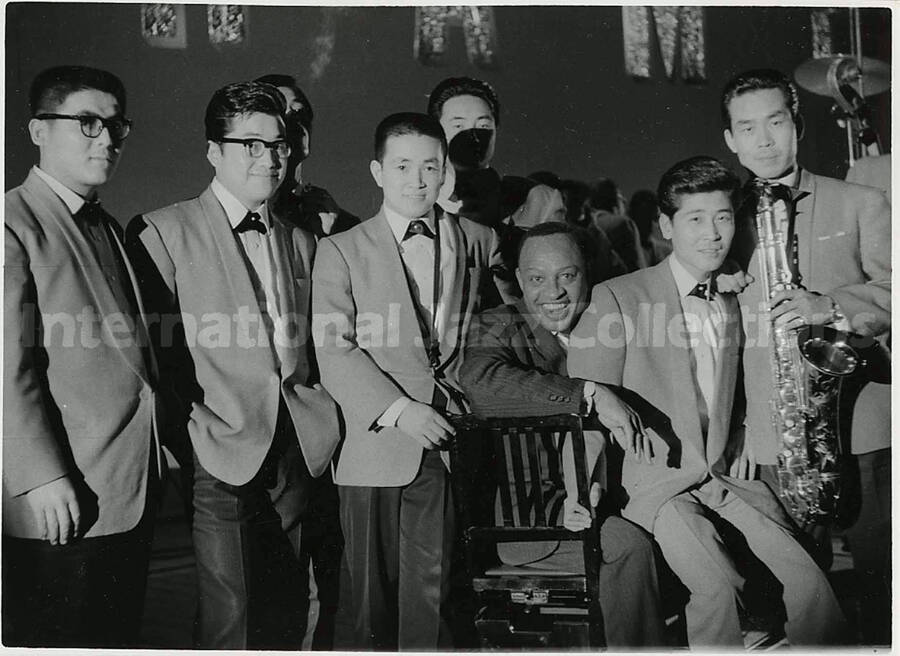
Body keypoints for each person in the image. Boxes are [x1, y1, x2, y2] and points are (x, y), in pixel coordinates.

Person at [568, 156, 846, 647]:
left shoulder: (736, 294)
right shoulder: (617, 297)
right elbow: (586, 412)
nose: (713, 233)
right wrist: (580, 492)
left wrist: (739, 435)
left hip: (722, 475)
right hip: (658, 486)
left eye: (723, 218)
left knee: (809, 580)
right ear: (666, 226)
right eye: (696, 219)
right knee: (717, 586)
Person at [126, 81, 340, 649]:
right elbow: (153, 353)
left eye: (278, 145)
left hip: (298, 447)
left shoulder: (302, 238)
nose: (269, 158)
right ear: (213, 150)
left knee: (289, 600)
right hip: (216, 442)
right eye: (250, 144)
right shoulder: (161, 231)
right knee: (231, 612)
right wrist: (188, 430)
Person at [311, 112, 504, 650]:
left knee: (435, 593)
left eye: (430, 167)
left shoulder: (478, 241)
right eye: (402, 166)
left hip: (448, 439)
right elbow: (333, 346)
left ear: (446, 173)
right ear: (377, 172)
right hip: (375, 444)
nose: (418, 180)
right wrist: (400, 410)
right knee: (370, 599)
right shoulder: (341, 250)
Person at [721, 68, 891, 644]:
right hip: (773, 435)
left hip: (862, 425)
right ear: (730, 140)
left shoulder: (862, 201)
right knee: (803, 591)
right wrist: (740, 423)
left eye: (775, 122)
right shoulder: (721, 222)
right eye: (748, 128)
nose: (764, 140)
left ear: (796, 124)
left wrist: (832, 305)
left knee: (882, 583)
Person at [3, 65, 161, 647]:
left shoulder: (108, 225)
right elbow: (5, 370)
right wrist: (40, 476)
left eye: (117, 125)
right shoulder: (10, 223)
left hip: (123, 487)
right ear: (38, 130)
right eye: (88, 122)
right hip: (57, 497)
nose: (108, 139)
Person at [458, 222, 667, 648]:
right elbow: (481, 382)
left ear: (587, 272)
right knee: (632, 548)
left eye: (566, 276)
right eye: (536, 279)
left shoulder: (612, 316)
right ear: (518, 280)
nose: (552, 293)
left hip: (630, 492)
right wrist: (589, 393)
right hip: (543, 517)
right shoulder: (498, 324)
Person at [255, 73, 359, 239]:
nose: (295, 120)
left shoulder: (347, 227)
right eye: (280, 113)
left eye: (300, 112)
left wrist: (328, 237)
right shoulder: (238, 215)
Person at [586, 177, 648, 271]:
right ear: (613, 200)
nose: (625, 201)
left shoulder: (586, 225)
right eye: (620, 197)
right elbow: (638, 269)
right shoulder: (622, 223)